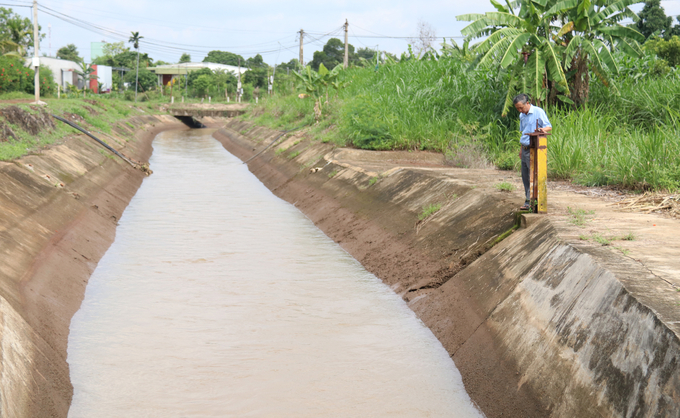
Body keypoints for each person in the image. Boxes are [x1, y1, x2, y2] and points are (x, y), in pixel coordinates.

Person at [513, 93, 552, 210]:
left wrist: (541, 129)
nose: (520, 110)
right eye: (518, 109)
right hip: (524, 148)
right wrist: (521, 149)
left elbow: (548, 126)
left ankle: (534, 201)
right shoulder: (522, 115)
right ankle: (527, 200)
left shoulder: (538, 112)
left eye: (521, 107)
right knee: (525, 176)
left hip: (534, 149)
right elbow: (523, 133)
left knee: (533, 175)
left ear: (528, 103)